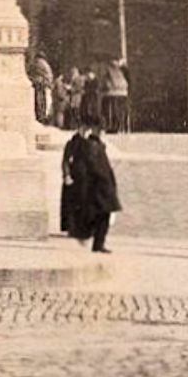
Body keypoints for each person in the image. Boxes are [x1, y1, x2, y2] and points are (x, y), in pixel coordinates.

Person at [84, 125, 122, 253]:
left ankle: (98, 243)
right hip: (100, 187)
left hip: (103, 186)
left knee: (103, 216)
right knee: (102, 215)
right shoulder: (93, 146)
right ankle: (97, 244)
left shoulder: (97, 145)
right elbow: (95, 167)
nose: (102, 132)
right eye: (100, 130)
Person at [60, 124, 91, 239]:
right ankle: (72, 229)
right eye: (84, 129)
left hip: (88, 178)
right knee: (73, 204)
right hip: (75, 177)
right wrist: (67, 175)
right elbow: (66, 160)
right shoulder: (72, 143)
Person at [103, 59, 130, 133]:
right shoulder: (123, 70)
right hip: (123, 92)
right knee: (121, 110)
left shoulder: (109, 69)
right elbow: (128, 79)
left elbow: (106, 81)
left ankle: (115, 126)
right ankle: (123, 127)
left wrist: (108, 88)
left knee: (114, 110)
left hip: (113, 92)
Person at [29, 53, 54, 124]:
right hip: (42, 84)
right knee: (42, 101)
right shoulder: (44, 64)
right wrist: (49, 83)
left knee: (38, 100)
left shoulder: (34, 63)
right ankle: (42, 116)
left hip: (37, 83)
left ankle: (39, 115)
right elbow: (49, 75)